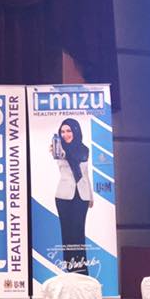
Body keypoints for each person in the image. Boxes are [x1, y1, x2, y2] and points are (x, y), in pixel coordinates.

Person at [52, 117, 93, 273]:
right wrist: (58, 148)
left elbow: (85, 174)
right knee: (67, 236)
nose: (65, 134)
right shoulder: (58, 148)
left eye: (68, 130)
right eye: (62, 131)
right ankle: (69, 271)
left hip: (82, 195)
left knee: (78, 234)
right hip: (64, 196)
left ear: (75, 131)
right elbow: (60, 155)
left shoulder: (84, 149)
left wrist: (91, 196)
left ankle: (81, 271)